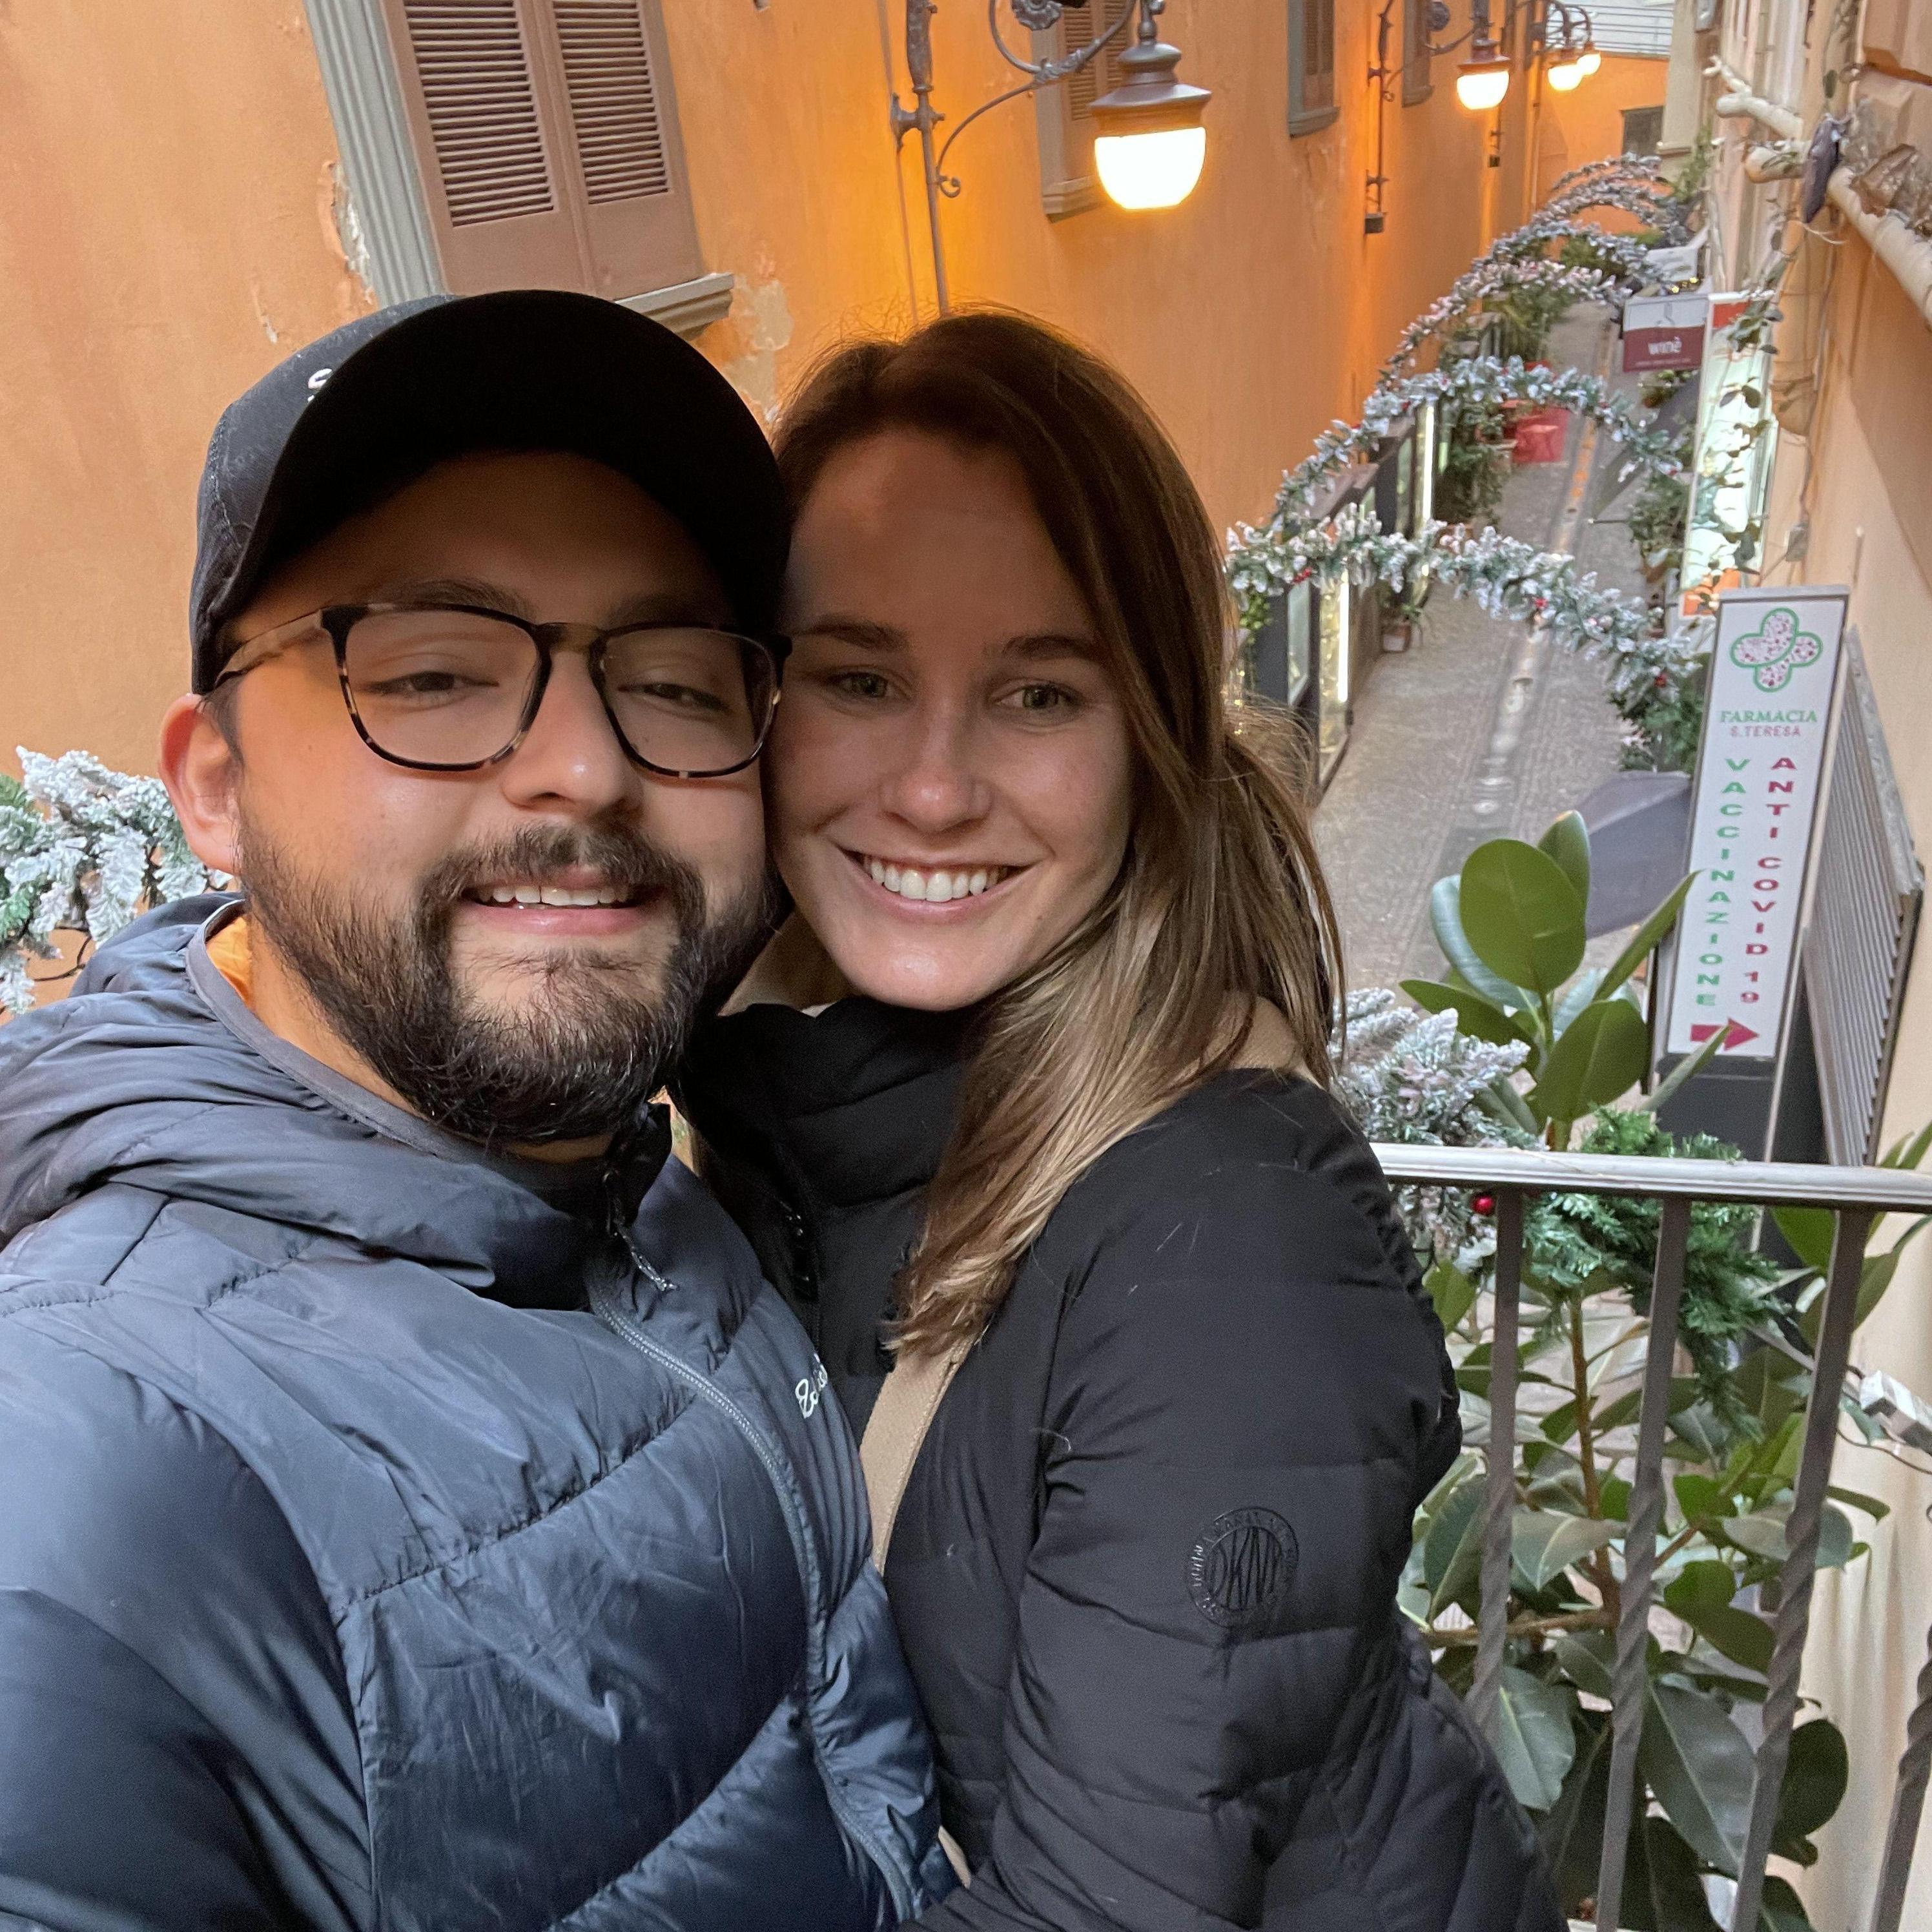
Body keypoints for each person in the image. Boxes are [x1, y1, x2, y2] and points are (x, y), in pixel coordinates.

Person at [0, 293, 953, 1929]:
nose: (584, 768)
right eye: (434, 672)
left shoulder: (627, 1164)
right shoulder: (83, 1488)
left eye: (673, 680)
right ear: (215, 785)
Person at [679, 312, 1565, 1931]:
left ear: (1145, 736)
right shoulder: (770, 1095)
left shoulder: (1225, 1235)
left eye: (1036, 693)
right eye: (859, 678)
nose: (932, 787)